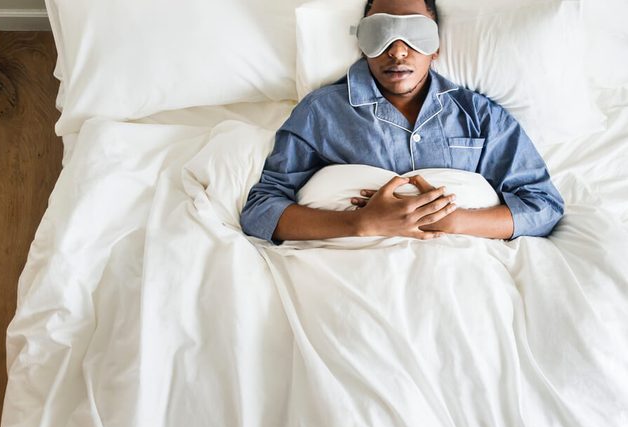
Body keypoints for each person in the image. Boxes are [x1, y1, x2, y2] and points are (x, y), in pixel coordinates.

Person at [240, 0, 565, 244]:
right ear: (361, 42)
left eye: (414, 34)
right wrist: (362, 224)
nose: (397, 51)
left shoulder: (479, 115)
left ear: (436, 47)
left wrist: (452, 221)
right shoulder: (320, 112)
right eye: (380, 33)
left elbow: (542, 206)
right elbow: (261, 210)